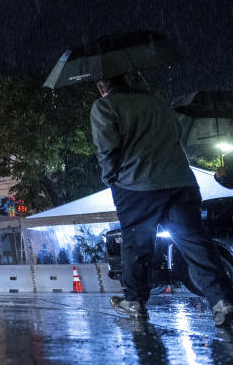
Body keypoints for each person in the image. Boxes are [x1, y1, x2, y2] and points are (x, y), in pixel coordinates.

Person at [91, 75, 233, 327]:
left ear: (103, 86)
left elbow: (107, 148)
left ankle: (135, 301)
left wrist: (111, 178)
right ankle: (222, 300)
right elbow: (176, 132)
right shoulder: (157, 102)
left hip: (136, 185)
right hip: (179, 181)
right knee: (195, 242)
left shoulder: (105, 106)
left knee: (137, 244)